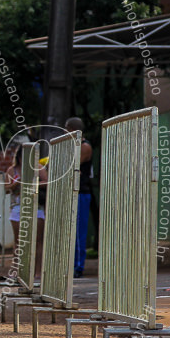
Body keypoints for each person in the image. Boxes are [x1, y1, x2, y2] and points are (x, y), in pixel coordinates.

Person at [4, 145, 46, 280]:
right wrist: (16, 183)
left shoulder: (38, 168)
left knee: (38, 240)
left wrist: (34, 184)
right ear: (19, 157)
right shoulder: (13, 170)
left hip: (35, 206)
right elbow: (6, 188)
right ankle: (17, 270)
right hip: (18, 206)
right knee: (18, 241)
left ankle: (38, 272)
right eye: (23, 158)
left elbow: (48, 181)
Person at [65, 117, 93, 278]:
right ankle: (71, 264)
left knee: (78, 231)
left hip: (81, 192)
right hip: (73, 191)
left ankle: (78, 266)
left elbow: (73, 166)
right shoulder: (73, 146)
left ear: (71, 129)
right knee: (70, 230)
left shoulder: (84, 147)